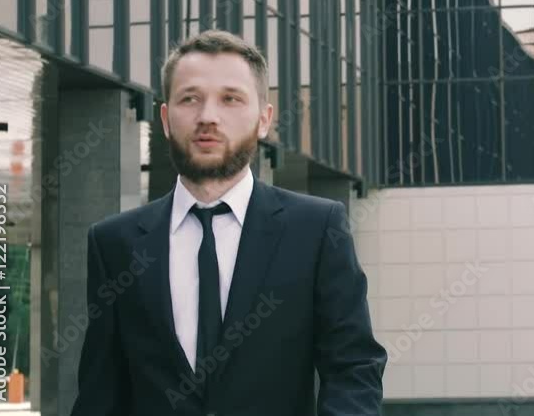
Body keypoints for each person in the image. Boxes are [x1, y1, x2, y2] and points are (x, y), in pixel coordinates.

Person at [71, 30, 386, 415]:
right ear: (166, 119)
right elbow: (101, 392)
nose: (208, 116)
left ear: (264, 119)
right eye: (190, 98)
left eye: (230, 99)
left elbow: (353, 368)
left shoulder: (317, 229)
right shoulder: (114, 243)